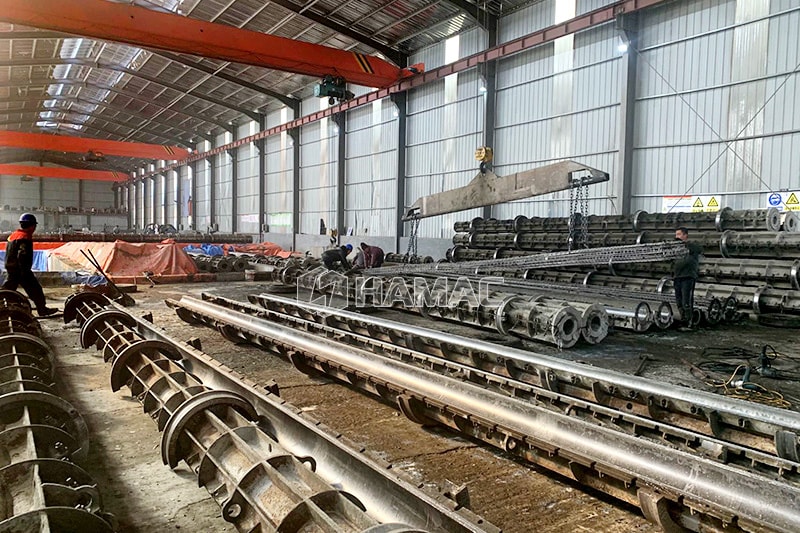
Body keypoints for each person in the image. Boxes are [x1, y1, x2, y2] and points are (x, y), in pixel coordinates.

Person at [2, 214, 58, 316]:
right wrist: (24, 271)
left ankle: (3, 307)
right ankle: (42, 310)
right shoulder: (25, 237)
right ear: (32, 226)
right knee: (36, 290)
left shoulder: (13, 235)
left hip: (11, 268)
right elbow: (22, 255)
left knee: (7, 291)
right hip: (21, 270)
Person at [673, 226, 703, 327]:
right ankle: (683, 319)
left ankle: (689, 322)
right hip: (677, 277)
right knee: (679, 300)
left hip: (688, 277)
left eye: (679, 234)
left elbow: (699, 249)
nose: (676, 237)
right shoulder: (675, 249)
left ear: (685, 235)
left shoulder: (692, 246)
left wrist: (684, 245)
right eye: (676, 235)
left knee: (686, 300)